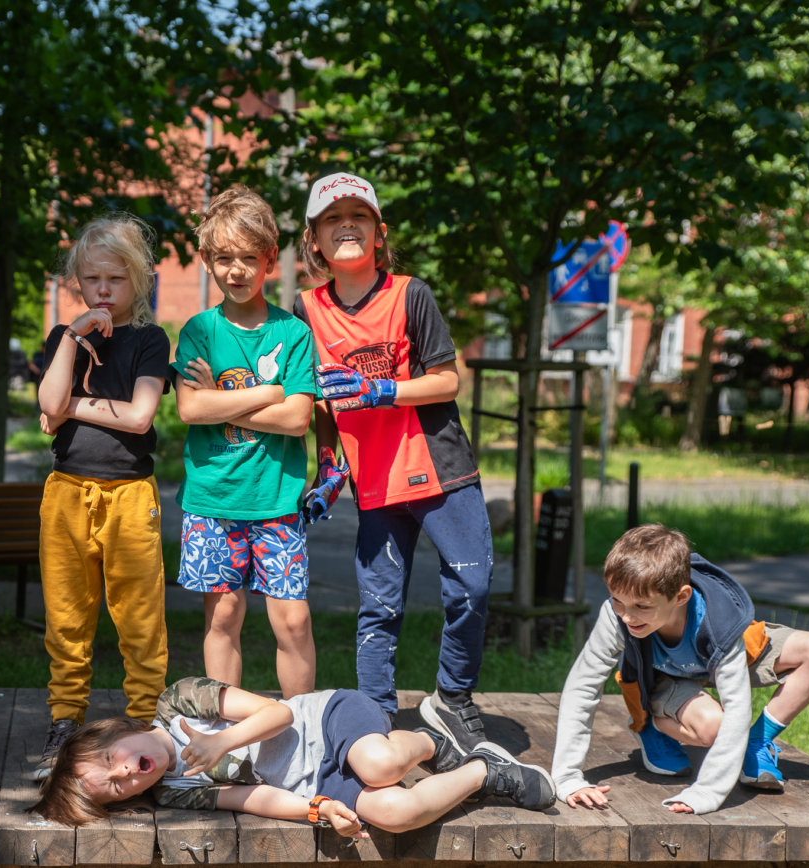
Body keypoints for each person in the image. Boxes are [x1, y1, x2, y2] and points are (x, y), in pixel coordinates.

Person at [292, 173, 492, 745]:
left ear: (379, 234)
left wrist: (382, 390)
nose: (346, 225)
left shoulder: (410, 294)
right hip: (373, 479)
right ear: (314, 241)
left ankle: (453, 697)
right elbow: (319, 403)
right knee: (378, 605)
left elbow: (447, 380)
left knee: (471, 588)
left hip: (441, 467)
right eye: (332, 218)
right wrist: (328, 466)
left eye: (359, 215)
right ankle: (376, 713)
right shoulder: (305, 309)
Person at [553, 524, 809, 814]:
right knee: (714, 728)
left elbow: (737, 705)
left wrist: (707, 791)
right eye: (617, 600)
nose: (627, 616)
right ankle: (650, 724)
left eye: (642, 606)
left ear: (681, 597)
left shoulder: (720, 621)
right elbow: (582, 686)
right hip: (661, 676)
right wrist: (567, 777)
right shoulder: (617, 618)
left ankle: (757, 742)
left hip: (711, 659)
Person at [29, 677, 556, 832]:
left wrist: (221, 741)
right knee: (393, 812)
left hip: (325, 720)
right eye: (118, 788)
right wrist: (317, 809)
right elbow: (252, 798)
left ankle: (431, 742)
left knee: (379, 765)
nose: (125, 773)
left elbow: (278, 714)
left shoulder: (178, 702)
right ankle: (485, 771)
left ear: (115, 732)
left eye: (111, 761)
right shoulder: (175, 792)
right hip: (314, 780)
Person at [33, 213, 171, 780]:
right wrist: (72, 338)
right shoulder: (63, 339)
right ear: (78, 281)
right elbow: (47, 402)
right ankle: (65, 721)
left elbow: (140, 417)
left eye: (116, 279)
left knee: (140, 619)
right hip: (67, 492)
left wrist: (69, 407)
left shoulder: (149, 340)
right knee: (67, 617)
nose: (103, 291)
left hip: (131, 495)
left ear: (138, 279)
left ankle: (147, 720)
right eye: (92, 279)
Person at [171, 185, 318, 699]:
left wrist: (221, 397)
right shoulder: (199, 332)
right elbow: (190, 410)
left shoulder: (293, 333)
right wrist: (271, 393)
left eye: (249, 258)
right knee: (223, 616)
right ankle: (223, 727)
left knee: (294, 622)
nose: (236, 270)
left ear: (270, 260)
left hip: (277, 501)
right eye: (224, 258)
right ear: (206, 260)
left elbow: (297, 418)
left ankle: (303, 727)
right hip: (212, 501)